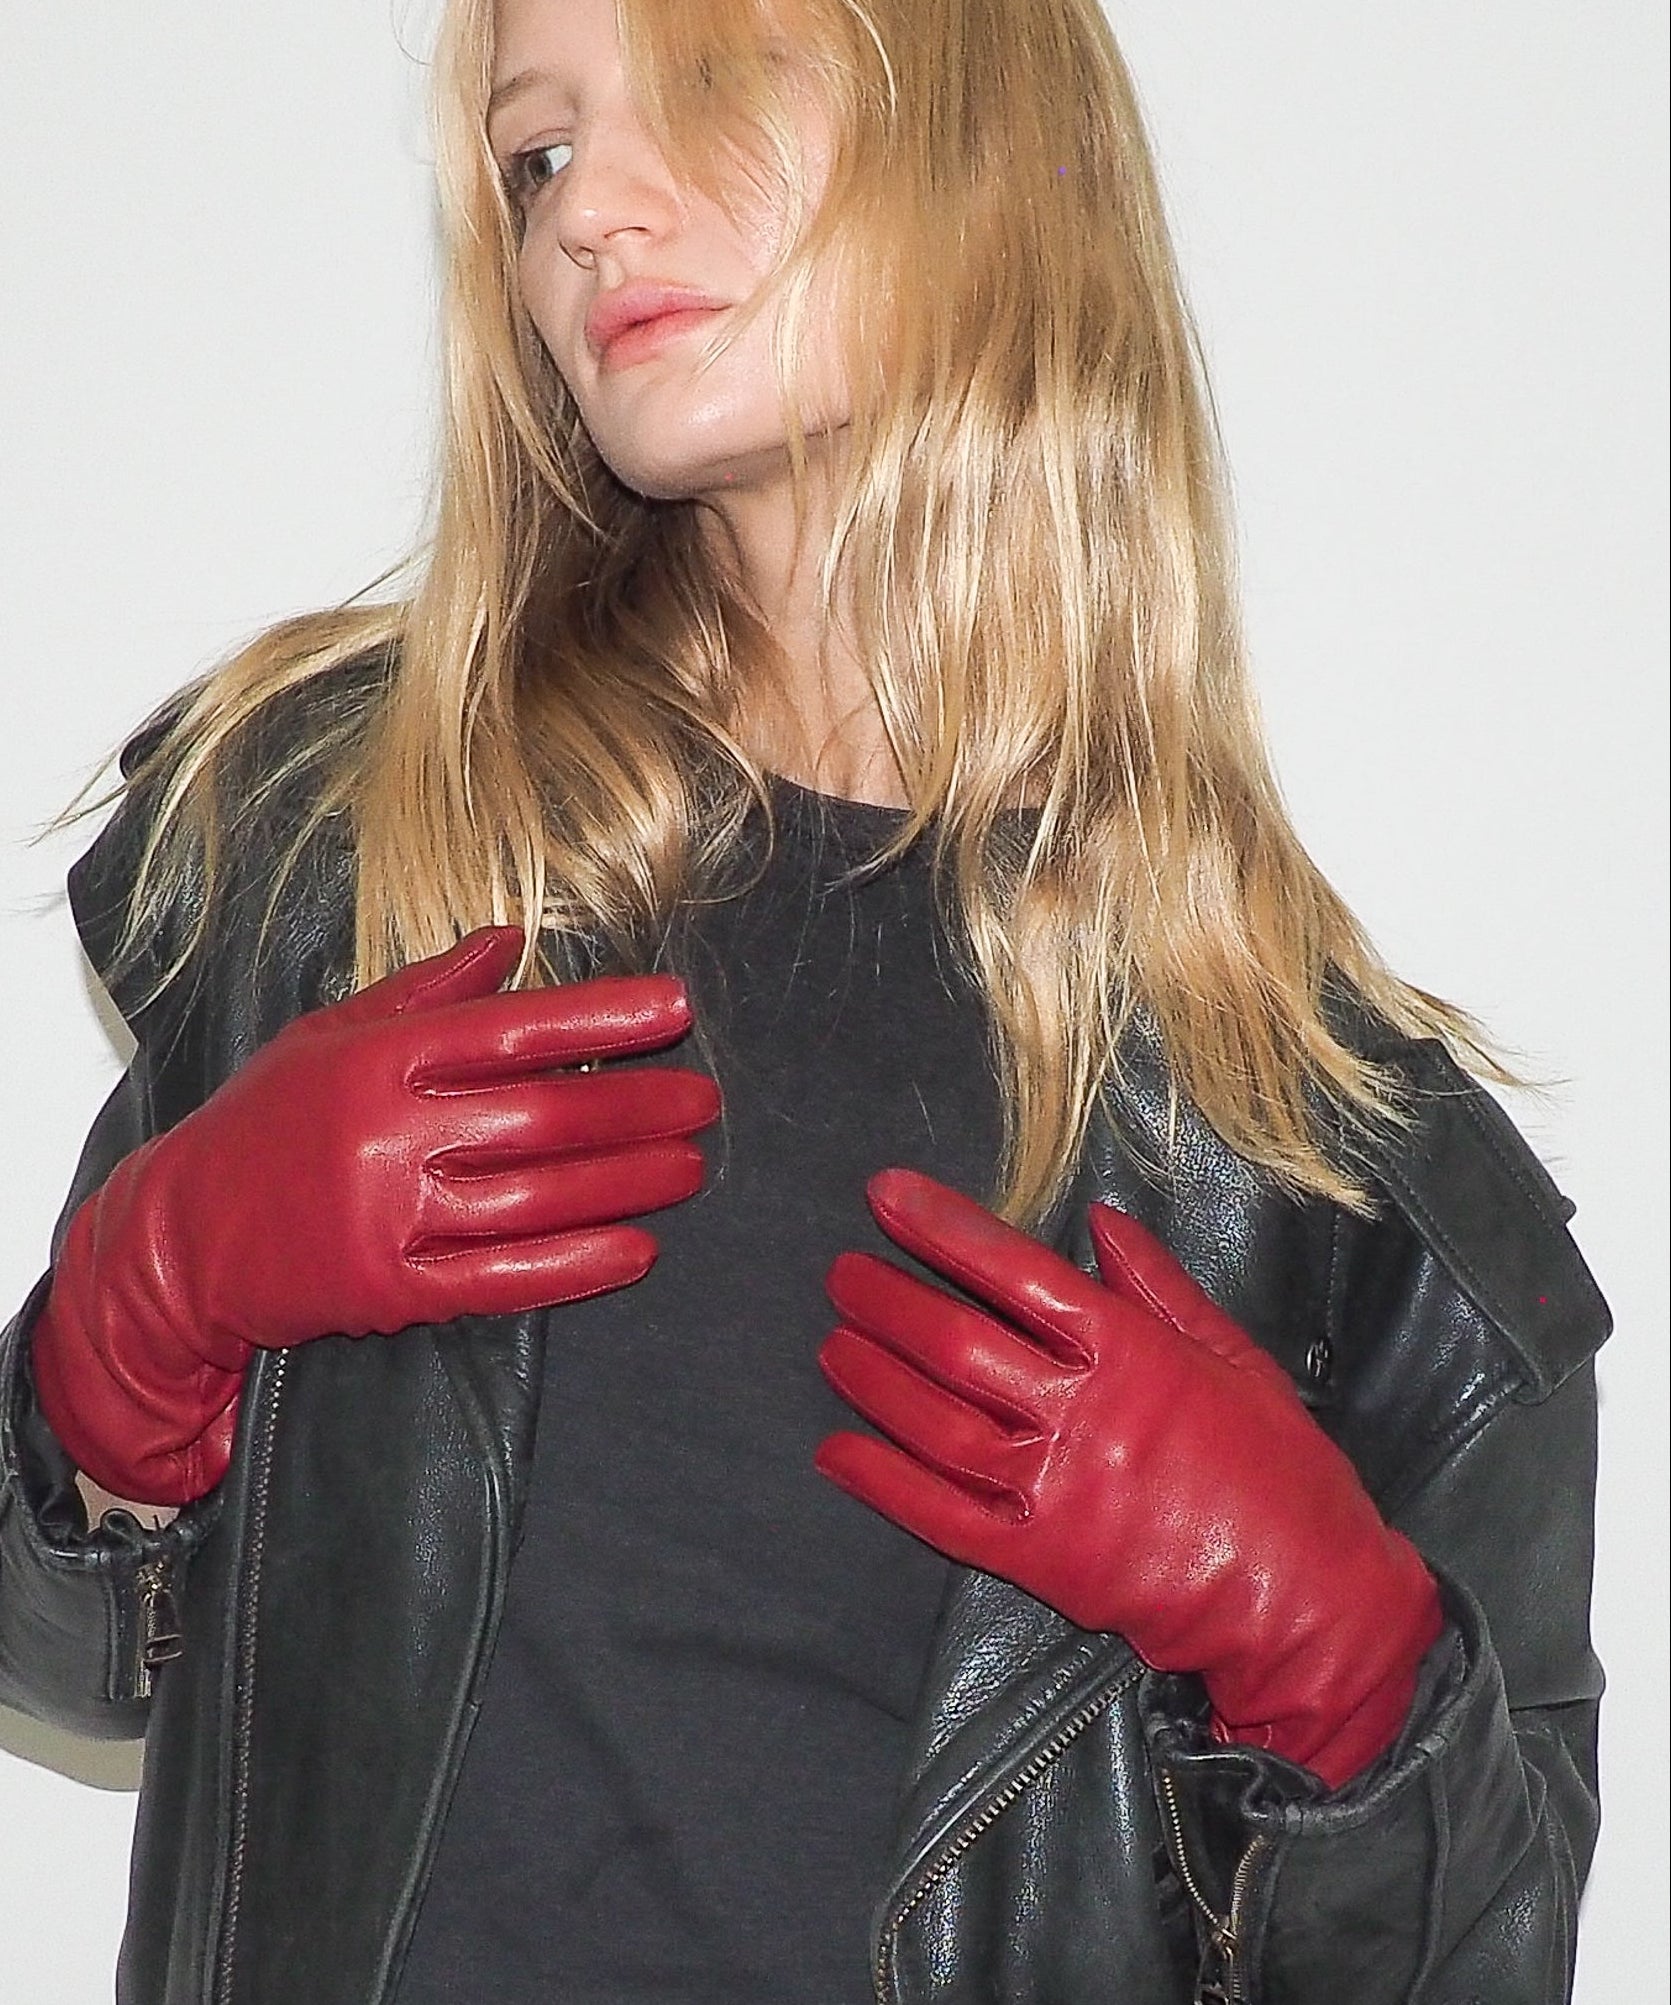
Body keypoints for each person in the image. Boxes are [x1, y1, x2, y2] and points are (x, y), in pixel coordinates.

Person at [0, 0, 1609, 1999]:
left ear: (987, 136)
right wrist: (125, 1325)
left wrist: (1340, 1667)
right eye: (535, 153)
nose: (587, 209)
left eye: (707, 81)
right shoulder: (346, 852)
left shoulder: (1333, 1173)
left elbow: (1478, 1957)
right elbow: (56, 1642)